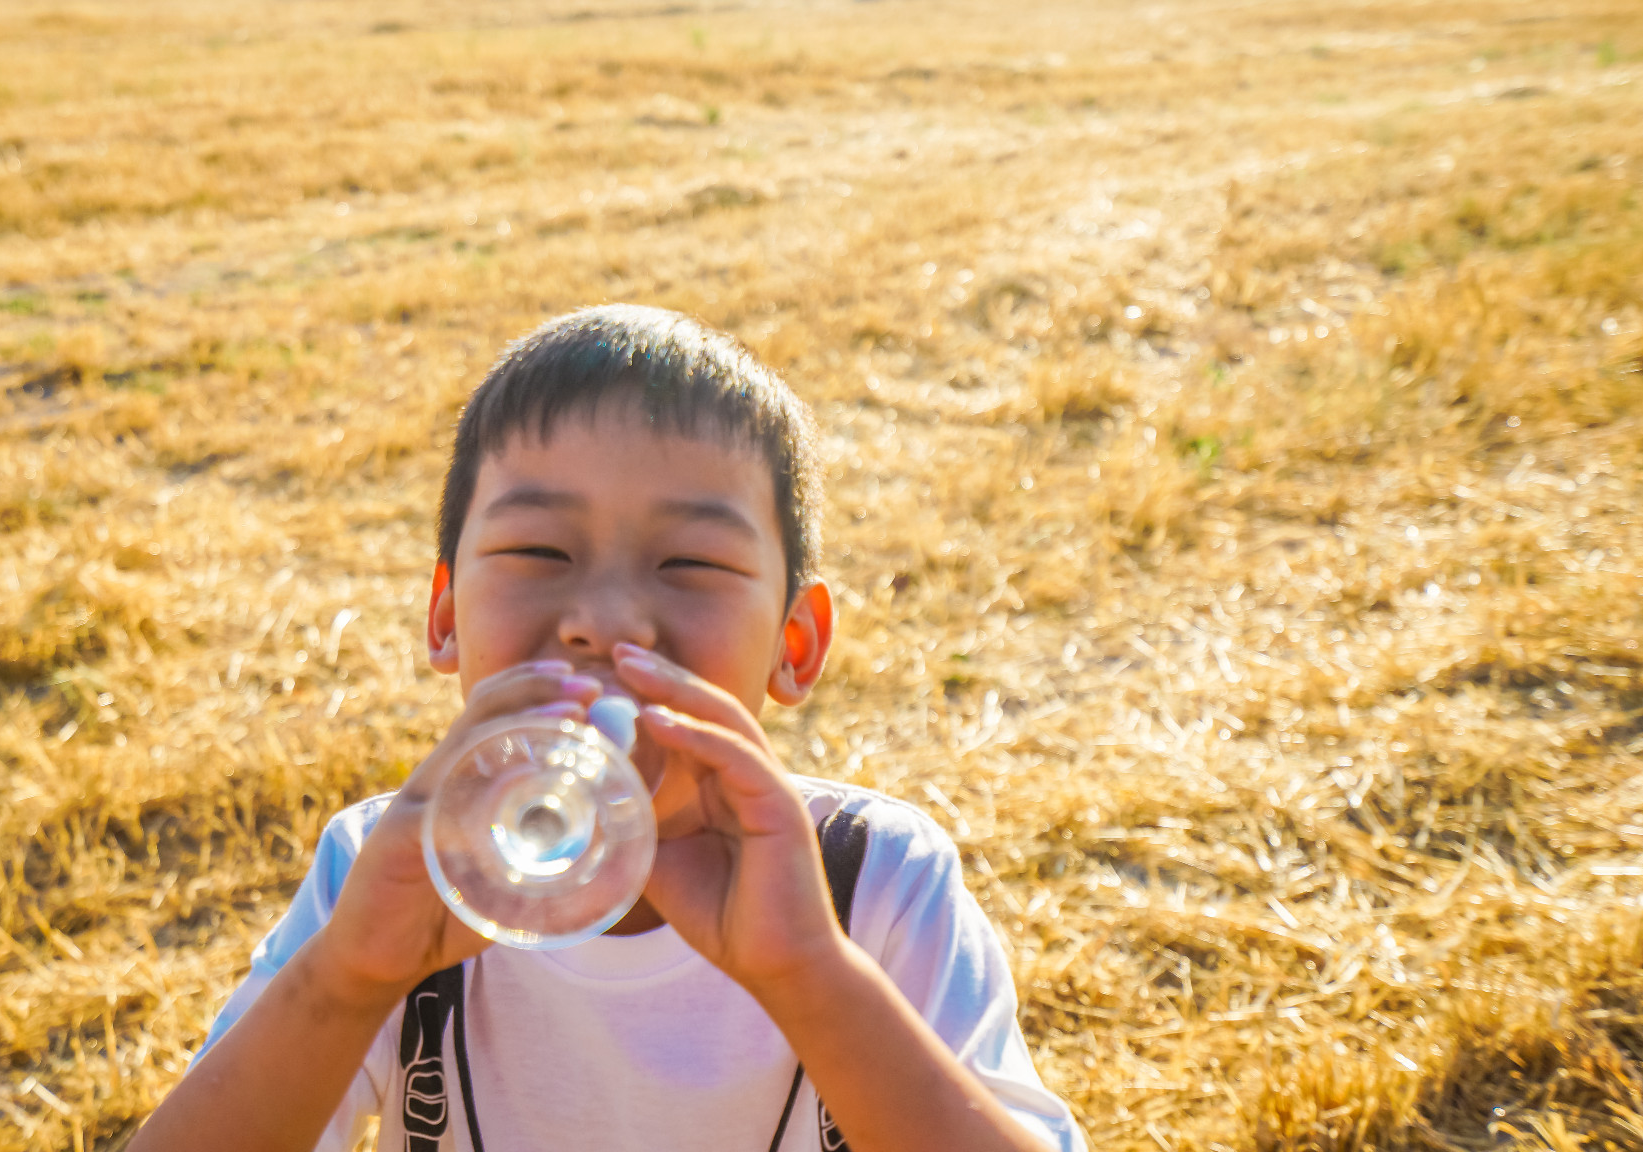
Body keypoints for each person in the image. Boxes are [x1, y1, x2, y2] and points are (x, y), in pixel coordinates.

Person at [129, 305, 1083, 1152]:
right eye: (539, 550)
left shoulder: (874, 882)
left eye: (691, 563)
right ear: (446, 618)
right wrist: (348, 978)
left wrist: (812, 975)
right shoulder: (388, 869)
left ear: (794, 645)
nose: (610, 618)